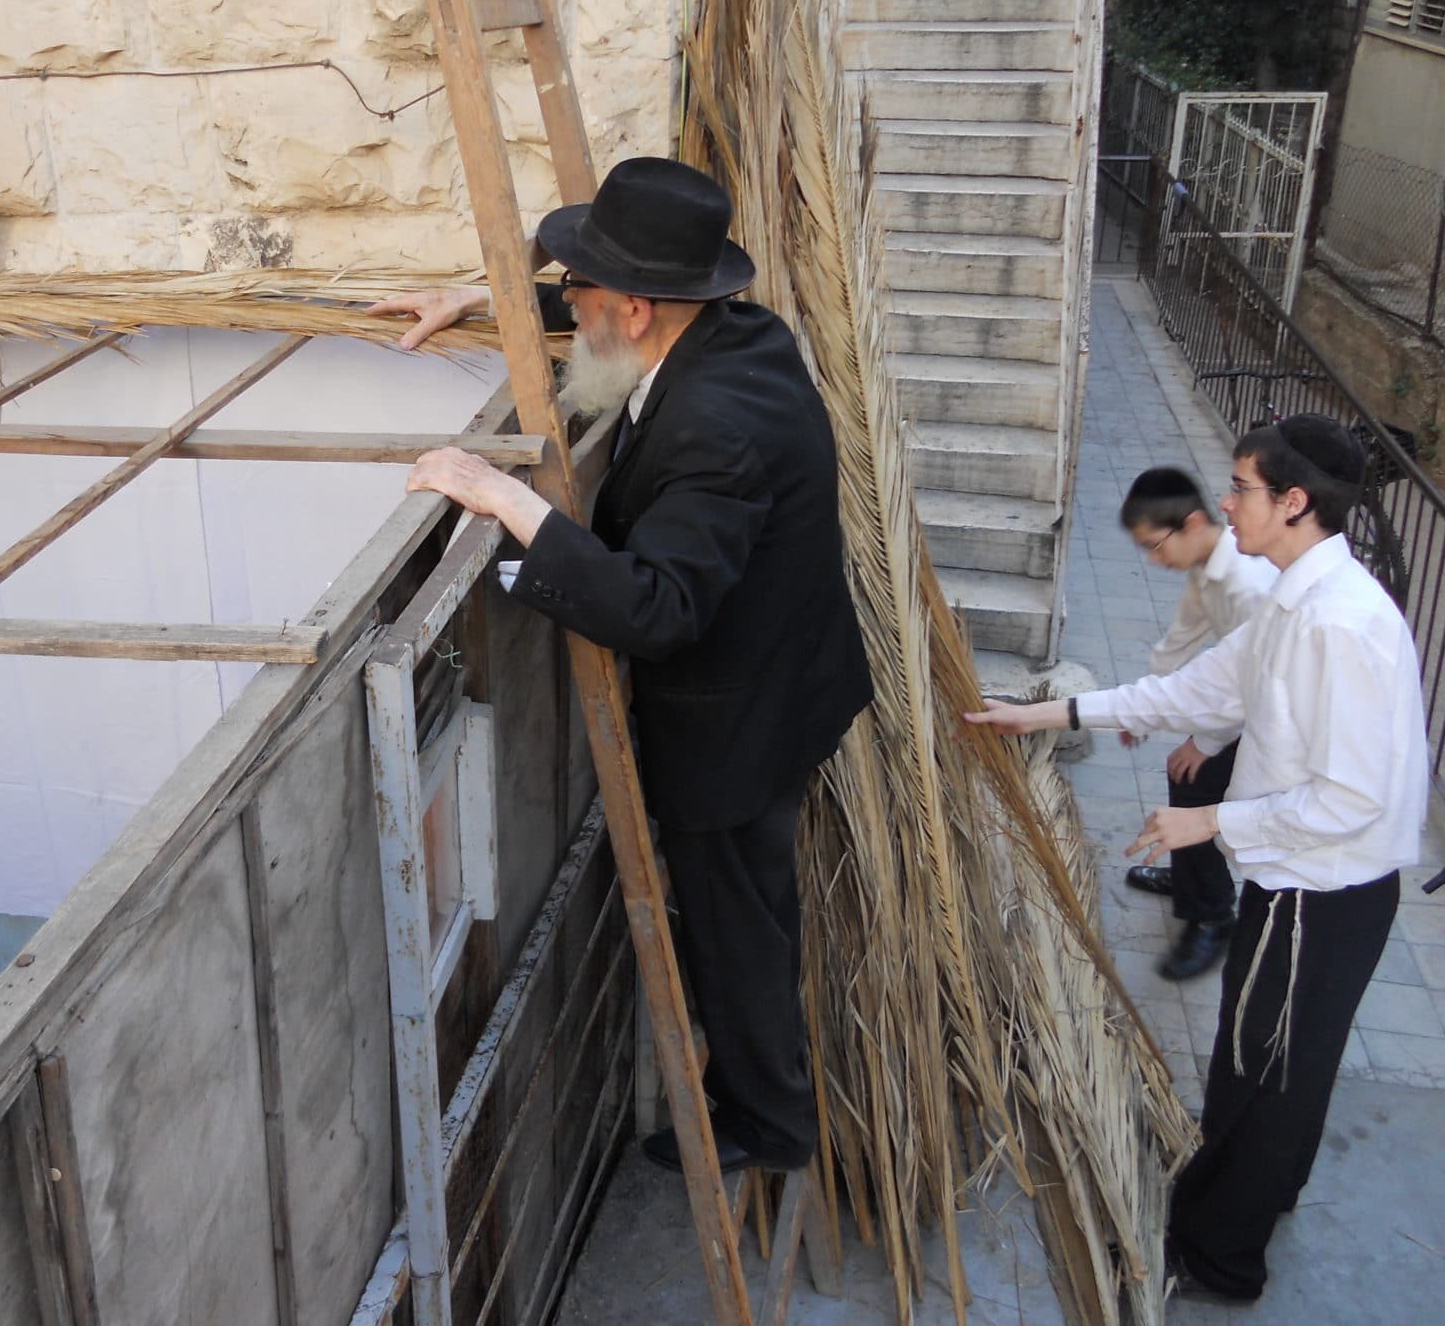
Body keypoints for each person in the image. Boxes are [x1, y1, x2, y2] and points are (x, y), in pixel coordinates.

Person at [367, 157, 874, 1175]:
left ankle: (769, 1130)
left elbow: (657, 608)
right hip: (789, 683)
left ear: (637, 310)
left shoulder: (714, 430)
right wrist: (483, 300)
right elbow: (596, 322)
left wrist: (507, 502)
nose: (572, 307)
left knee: (735, 935)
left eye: (581, 294)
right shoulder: (737, 334)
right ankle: (766, 1094)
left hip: (735, 728)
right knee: (751, 916)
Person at [967, 414, 1425, 1302]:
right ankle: (1255, 1200)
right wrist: (1048, 715)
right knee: (1270, 1063)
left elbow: (1352, 799)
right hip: (1302, 884)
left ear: (1295, 503)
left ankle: (1219, 1259)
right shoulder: (1294, 599)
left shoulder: (1341, 624)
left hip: (1320, 894)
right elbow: (1191, 689)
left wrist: (1209, 822)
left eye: (1242, 487)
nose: (1224, 501)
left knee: (1265, 1076)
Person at [1116, 466, 1278, 980]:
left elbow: (1257, 682)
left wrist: (1206, 742)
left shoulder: (1247, 583)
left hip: (1275, 711)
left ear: (1189, 524)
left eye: (1154, 544)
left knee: (1195, 775)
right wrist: (1139, 709)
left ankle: (1211, 915)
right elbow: (1180, 639)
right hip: (1245, 700)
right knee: (1185, 775)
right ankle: (1192, 879)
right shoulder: (1207, 568)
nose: (1152, 559)